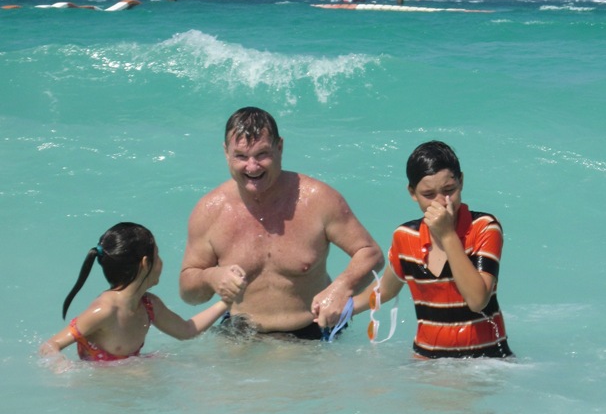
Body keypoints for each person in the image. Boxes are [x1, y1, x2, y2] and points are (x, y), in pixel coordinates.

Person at [179, 106, 384, 340]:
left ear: (280, 147)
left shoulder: (318, 199)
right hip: (242, 332)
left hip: (313, 333)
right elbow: (188, 293)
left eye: (262, 154)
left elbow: (371, 253)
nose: (252, 166)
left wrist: (341, 287)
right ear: (226, 153)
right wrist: (210, 277)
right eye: (241, 156)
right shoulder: (209, 211)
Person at [353, 141, 513, 359]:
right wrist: (344, 309)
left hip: (483, 361)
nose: (441, 202)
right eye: (428, 194)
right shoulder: (406, 236)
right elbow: (387, 289)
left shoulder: (484, 227)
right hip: (426, 361)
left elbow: (477, 300)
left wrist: (448, 235)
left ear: (461, 182)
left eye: (449, 191)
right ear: (413, 193)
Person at [40, 222, 245, 362]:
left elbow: (186, 331)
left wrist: (226, 302)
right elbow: (49, 347)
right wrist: (63, 368)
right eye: (158, 255)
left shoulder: (148, 305)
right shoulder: (104, 311)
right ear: (145, 263)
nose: (162, 262)